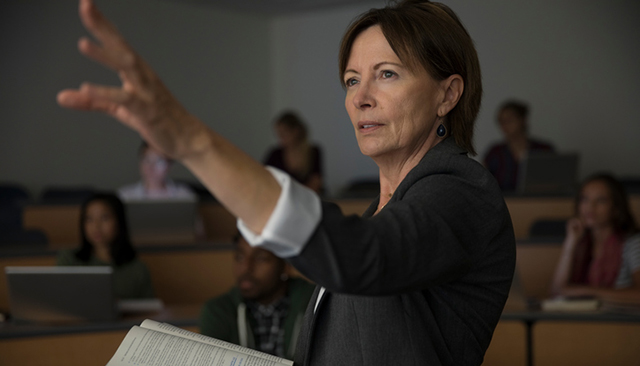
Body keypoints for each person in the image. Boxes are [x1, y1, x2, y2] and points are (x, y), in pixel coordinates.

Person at [57, 0, 516, 364]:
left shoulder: (461, 189)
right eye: (352, 81)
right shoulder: (379, 211)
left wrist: (191, 142)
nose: (360, 98)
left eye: (387, 75)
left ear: (448, 94)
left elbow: (365, 258)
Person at [200, 233, 315, 359]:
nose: (246, 267)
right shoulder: (218, 311)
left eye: (260, 258)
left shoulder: (313, 303)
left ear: (286, 265)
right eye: (239, 257)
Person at [551, 173, 640, 303]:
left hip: (618, 321)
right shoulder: (580, 242)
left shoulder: (633, 243)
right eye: (584, 199)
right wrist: (570, 244)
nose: (590, 207)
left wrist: (587, 291)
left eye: (601, 200)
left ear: (616, 208)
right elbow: (556, 291)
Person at [56, 192, 155, 299]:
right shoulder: (69, 259)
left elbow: (148, 310)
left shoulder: (137, 268)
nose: (96, 226)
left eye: (104, 218)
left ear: (119, 222)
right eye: (89, 219)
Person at [483, 99, 555, 192]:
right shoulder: (495, 152)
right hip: (504, 203)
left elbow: (555, 182)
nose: (505, 125)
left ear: (522, 120)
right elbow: (484, 184)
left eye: (509, 120)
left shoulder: (544, 150)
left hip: (539, 202)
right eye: (501, 121)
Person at [263, 111, 324, 195]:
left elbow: (316, 182)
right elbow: (264, 177)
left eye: (284, 133)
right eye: (279, 134)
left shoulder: (313, 152)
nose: (281, 138)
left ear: (295, 131)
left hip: (307, 198)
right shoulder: (275, 154)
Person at [118, 141, 196, 201]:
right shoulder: (124, 196)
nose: (150, 167)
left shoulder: (184, 196)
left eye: (159, 161)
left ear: (169, 166)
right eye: (147, 160)